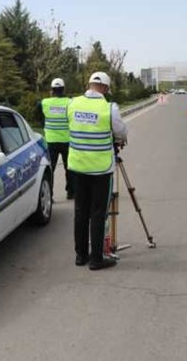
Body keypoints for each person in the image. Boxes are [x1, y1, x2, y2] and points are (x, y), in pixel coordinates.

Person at [67, 71, 128, 271]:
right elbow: (120, 132)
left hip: (77, 167)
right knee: (98, 213)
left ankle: (80, 255)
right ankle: (96, 259)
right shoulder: (109, 108)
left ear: (89, 84)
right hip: (101, 169)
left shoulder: (72, 103)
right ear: (105, 88)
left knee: (80, 211)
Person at [38, 78, 74, 199]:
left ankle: (50, 195)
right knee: (69, 168)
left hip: (51, 141)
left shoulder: (44, 103)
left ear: (51, 90)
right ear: (63, 90)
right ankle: (71, 192)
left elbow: (37, 114)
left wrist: (44, 125)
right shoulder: (70, 102)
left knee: (50, 169)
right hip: (67, 141)